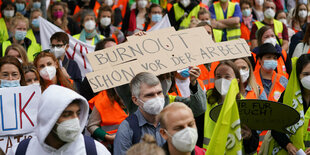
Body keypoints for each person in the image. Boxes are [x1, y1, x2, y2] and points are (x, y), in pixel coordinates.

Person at [114, 70, 206, 155]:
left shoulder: (173, 116)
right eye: (149, 95)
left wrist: (193, 84)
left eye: (159, 93)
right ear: (135, 100)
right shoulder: (127, 129)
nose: (156, 98)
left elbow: (199, 108)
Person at [7, 85, 111, 154]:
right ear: (49, 117)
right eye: (67, 114)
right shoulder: (20, 151)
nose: (75, 120)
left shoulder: (95, 151)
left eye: (78, 113)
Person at [203, 60, 259, 154]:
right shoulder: (206, 99)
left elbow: (253, 144)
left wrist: (249, 136)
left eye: (227, 77)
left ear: (237, 80)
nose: (222, 80)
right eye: (218, 77)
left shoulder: (244, 105)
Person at [267, 54, 310, 154]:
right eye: (306, 74)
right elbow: (275, 126)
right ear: (298, 75)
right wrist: (288, 144)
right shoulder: (288, 96)